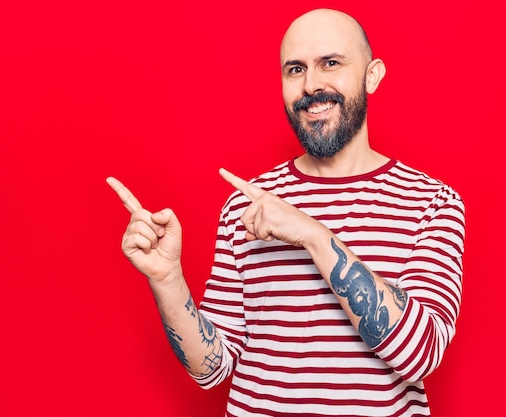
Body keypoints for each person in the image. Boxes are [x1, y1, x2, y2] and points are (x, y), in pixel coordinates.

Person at [108, 8, 465, 416]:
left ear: (372, 75)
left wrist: (312, 234)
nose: (311, 85)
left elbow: (420, 355)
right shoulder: (247, 203)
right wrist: (167, 280)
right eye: (295, 69)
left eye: (330, 63)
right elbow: (212, 368)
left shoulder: (432, 202)